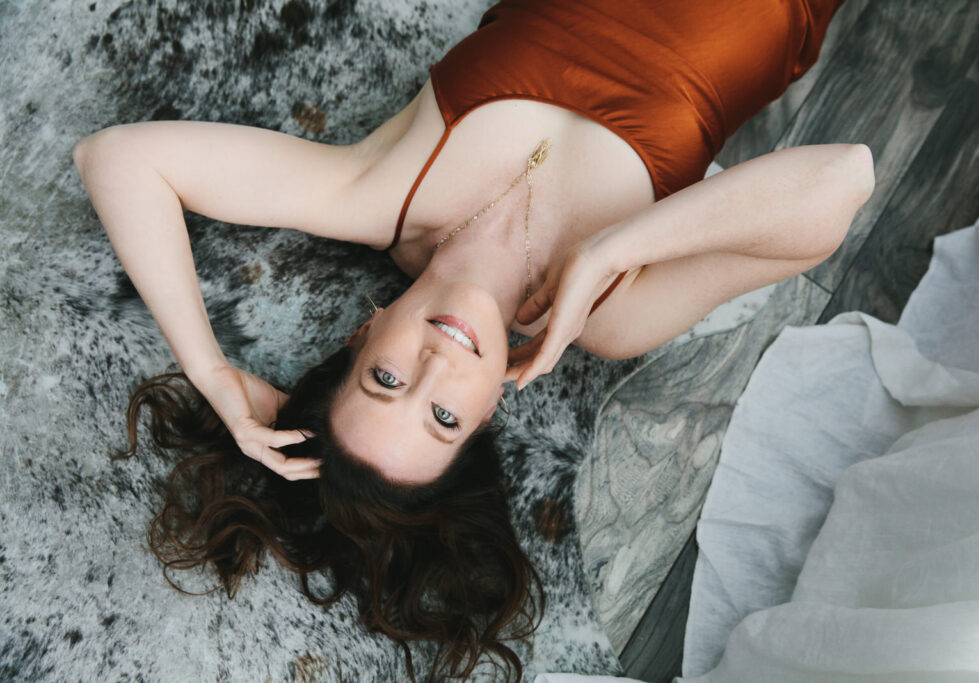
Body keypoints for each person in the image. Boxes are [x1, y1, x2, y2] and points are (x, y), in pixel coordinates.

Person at [72, 0, 871, 680]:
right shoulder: (614, 314)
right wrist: (616, 248)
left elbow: (117, 158)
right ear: (488, 412)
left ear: (364, 330)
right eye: (443, 417)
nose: (438, 365)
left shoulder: (373, 192)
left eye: (385, 380)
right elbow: (843, 180)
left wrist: (211, 370)